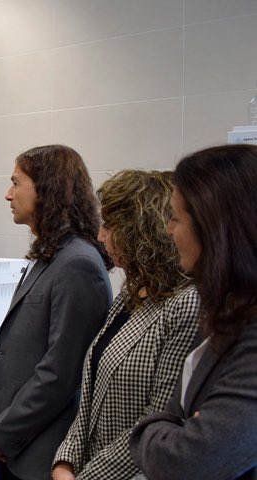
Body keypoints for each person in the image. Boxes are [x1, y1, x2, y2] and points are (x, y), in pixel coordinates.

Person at [0, 145, 112, 480]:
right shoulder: (49, 256)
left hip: (44, 454)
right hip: (17, 445)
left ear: (47, 189)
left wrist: (0, 434)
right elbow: (15, 355)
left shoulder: (78, 264)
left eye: (16, 183)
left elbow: (60, 375)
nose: (8, 194)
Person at [51, 170, 200, 480]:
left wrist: (86, 477)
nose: (102, 236)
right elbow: (90, 394)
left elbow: (157, 421)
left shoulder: (185, 304)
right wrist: (65, 462)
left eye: (110, 226)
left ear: (140, 231)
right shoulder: (131, 294)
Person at [129, 144, 257, 480]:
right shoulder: (227, 312)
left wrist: (155, 428)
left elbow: (182, 461)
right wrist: (178, 424)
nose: (168, 230)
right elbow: (178, 416)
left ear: (215, 229)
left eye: (175, 218)